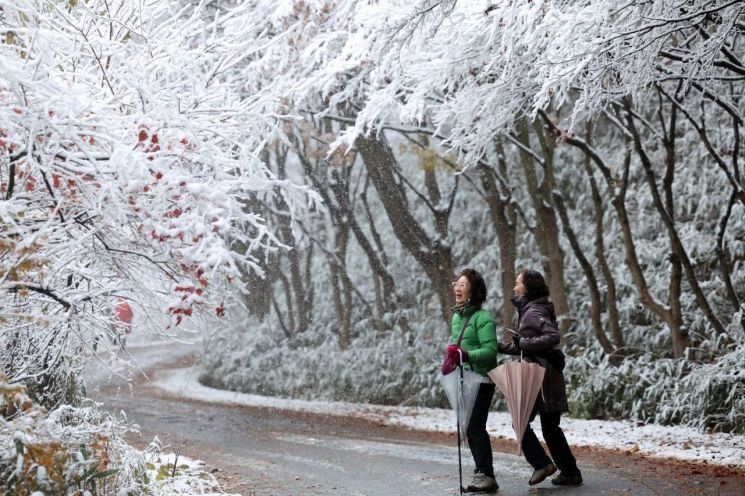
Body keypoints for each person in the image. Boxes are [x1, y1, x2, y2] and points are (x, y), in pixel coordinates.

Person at [500, 269, 583, 486]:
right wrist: (503, 347)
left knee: (521, 422)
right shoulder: (531, 309)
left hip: (541, 378)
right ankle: (570, 472)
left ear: (528, 287)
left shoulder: (533, 310)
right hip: (545, 375)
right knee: (550, 428)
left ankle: (542, 464)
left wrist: (524, 343)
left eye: (518, 282)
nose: (515, 286)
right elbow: (528, 346)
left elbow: (552, 336)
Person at [444, 268, 499, 493]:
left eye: (463, 284)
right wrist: (453, 360)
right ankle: (482, 472)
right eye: (456, 283)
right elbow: (460, 347)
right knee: (469, 427)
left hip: (483, 378)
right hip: (465, 378)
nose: (457, 287)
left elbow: (490, 351)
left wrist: (466, 356)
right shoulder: (457, 316)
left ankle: (486, 474)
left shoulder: (483, 317)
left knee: (475, 426)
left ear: (473, 290)